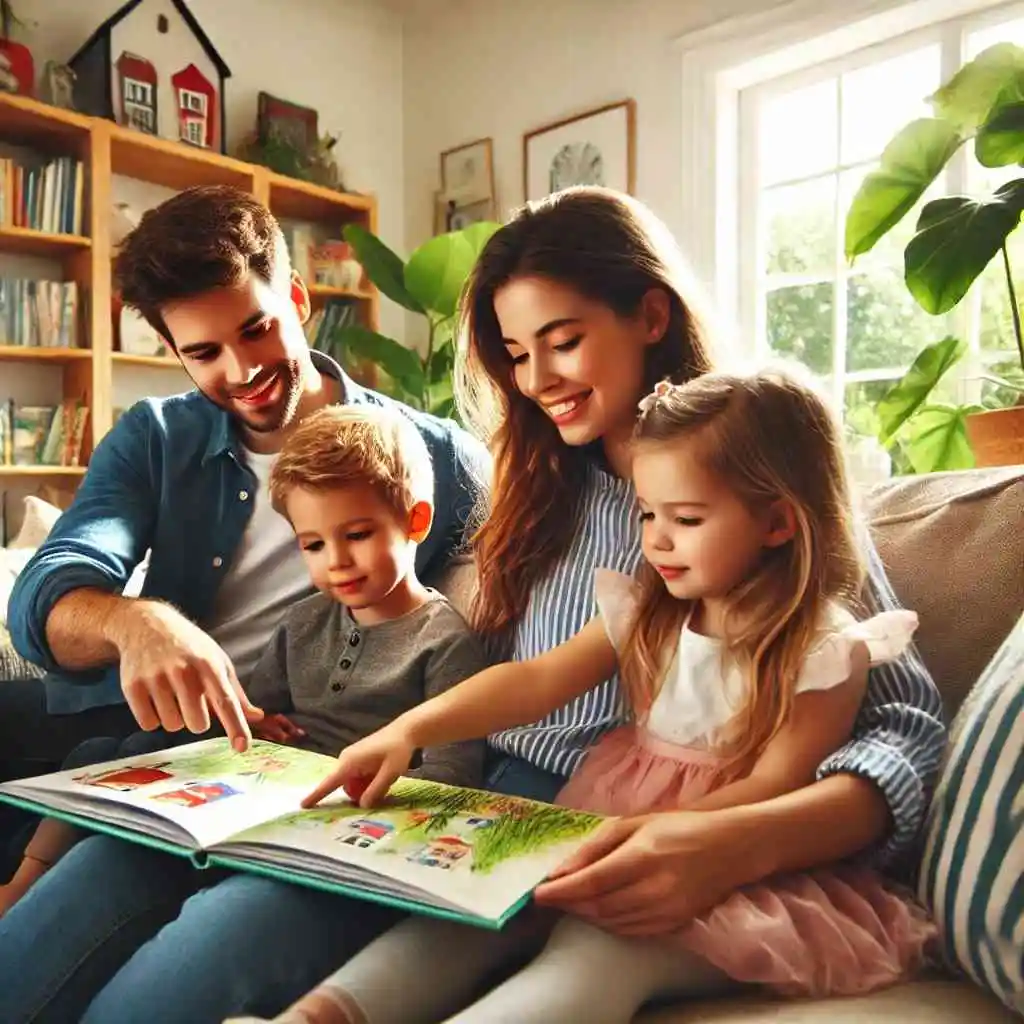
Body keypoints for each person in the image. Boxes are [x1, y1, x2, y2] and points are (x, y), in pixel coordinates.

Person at [237, 369, 935, 1024]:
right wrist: (410, 729)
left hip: (724, 860)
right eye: (646, 514)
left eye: (685, 519)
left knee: (598, 954)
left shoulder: (824, 648)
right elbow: (534, 681)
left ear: (778, 523)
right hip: (607, 819)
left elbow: (774, 783)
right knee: (476, 909)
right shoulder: (650, 608)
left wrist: (642, 839)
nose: (657, 541)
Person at [0, 185, 488, 1023]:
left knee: (178, 971)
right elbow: (50, 590)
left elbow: (483, 646)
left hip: (334, 782)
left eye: (257, 328)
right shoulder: (156, 436)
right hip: (189, 764)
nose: (243, 370)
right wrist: (134, 620)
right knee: (49, 928)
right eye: (205, 352)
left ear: (296, 299)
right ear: (172, 351)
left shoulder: (437, 455)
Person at [0, 403, 487, 914]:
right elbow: (257, 713)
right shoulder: (303, 620)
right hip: (259, 783)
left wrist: (377, 790)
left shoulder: (442, 640)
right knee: (113, 750)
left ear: (416, 520)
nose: (336, 561)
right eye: (313, 545)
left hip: (339, 809)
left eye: (357, 536)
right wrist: (262, 724)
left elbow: (454, 774)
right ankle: (28, 877)